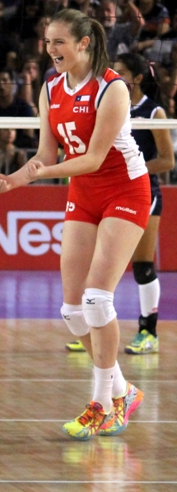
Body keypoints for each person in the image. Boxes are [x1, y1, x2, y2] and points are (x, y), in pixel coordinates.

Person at [0, 8, 146, 440]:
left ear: (83, 44)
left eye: (59, 41)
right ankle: (124, 389)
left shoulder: (112, 88)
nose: (50, 49)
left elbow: (94, 158)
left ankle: (101, 404)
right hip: (85, 192)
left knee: (97, 299)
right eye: (47, 41)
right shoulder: (51, 88)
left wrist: (38, 174)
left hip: (124, 189)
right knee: (72, 310)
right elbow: (45, 154)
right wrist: (15, 180)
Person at [66, 52, 174, 355]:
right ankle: (89, 329)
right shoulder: (104, 102)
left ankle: (147, 331)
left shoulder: (154, 113)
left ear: (137, 78)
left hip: (141, 192)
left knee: (142, 265)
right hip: (101, 191)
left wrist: (129, 168)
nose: (115, 76)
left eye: (123, 72)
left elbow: (166, 160)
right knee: (91, 265)